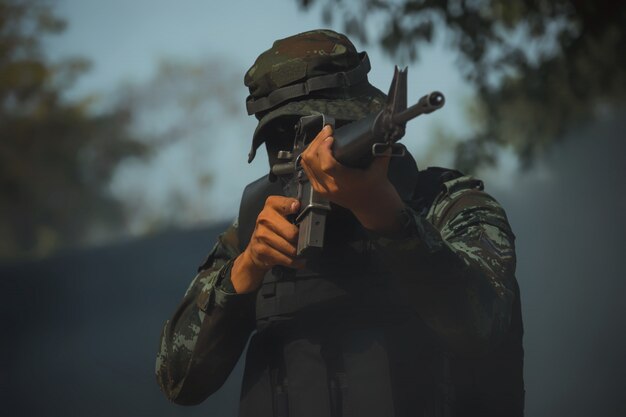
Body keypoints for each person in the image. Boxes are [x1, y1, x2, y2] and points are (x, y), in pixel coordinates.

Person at [155, 29, 524, 417]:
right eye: (291, 136)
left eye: (336, 129)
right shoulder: (258, 230)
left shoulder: (447, 205)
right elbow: (178, 381)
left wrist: (386, 217)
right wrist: (246, 270)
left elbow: (480, 327)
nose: (318, 152)